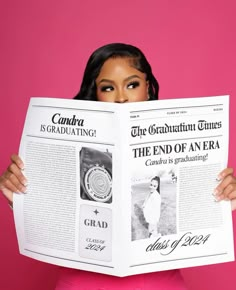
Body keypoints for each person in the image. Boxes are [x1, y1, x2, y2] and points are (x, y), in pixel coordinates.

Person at [1, 42, 236, 290]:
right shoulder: (66, 147)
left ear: (147, 88)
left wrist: (223, 200)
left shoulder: (184, 142)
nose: (121, 97)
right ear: (96, 92)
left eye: (132, 84)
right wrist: (20, 197)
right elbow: (53, 217)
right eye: (108, 87)